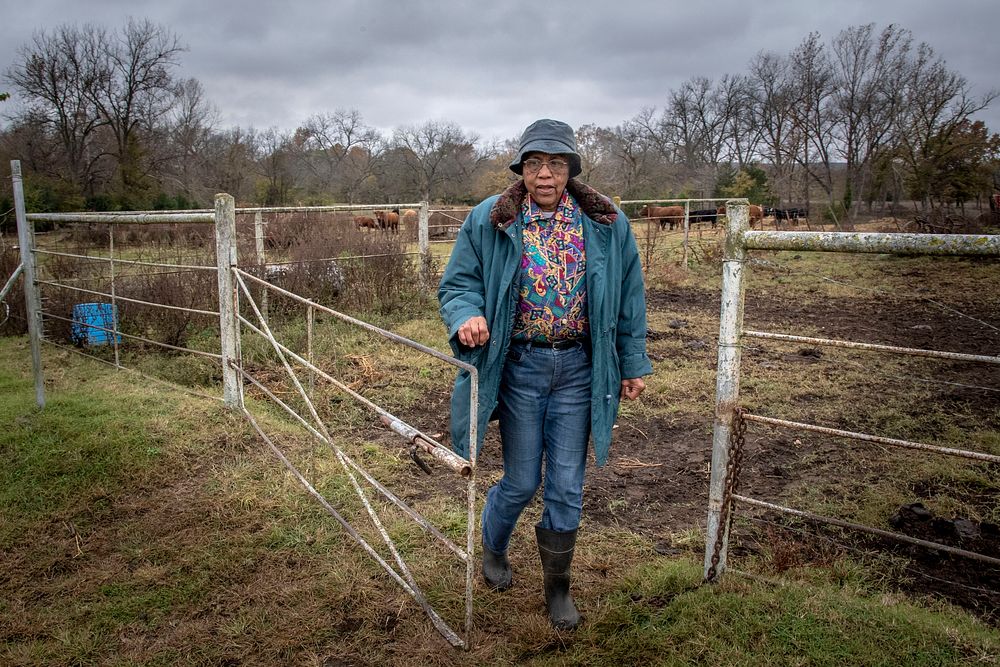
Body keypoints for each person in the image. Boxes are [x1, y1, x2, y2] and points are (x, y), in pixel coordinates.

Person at [438, 119, 652, 630]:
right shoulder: (492, 218)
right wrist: (468, 313)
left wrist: (634, 360)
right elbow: (458, 283)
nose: (545, 174)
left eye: (556, 164)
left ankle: (558, 588)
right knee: (520, 479)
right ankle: (493, 545)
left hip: (582, 367)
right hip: (519, 366)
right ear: (521, 170)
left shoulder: (605, 222)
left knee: (565, 485)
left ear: (572, 170)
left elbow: (629, 297)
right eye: (534, 164)